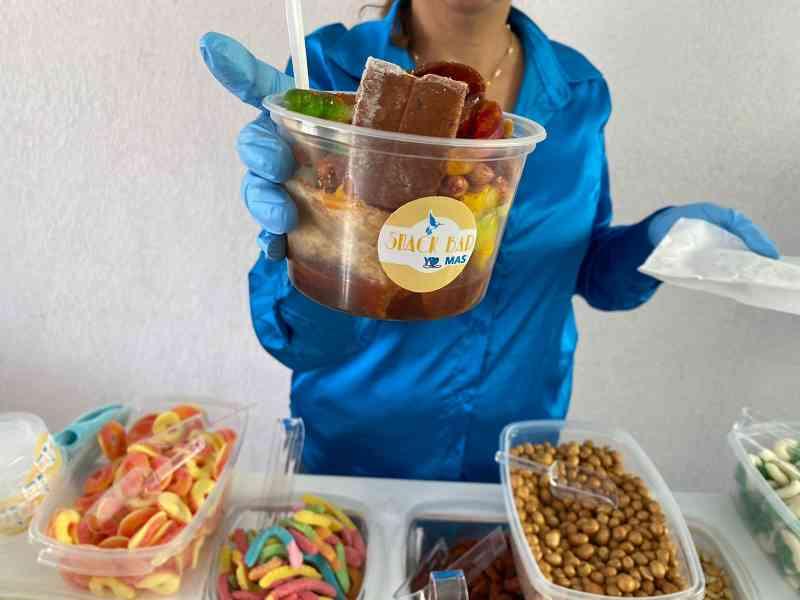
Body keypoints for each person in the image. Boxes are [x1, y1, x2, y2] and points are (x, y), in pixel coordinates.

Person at [199, 0, 779, 482]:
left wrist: (661, 243)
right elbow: (301, 340)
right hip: (362, 465)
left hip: (515, 456)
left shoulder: (578, 92)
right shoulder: (325, 72)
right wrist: (317, 249)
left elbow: (580, 265)